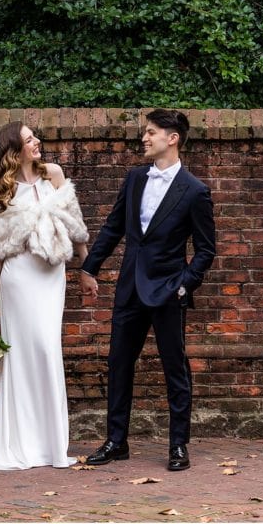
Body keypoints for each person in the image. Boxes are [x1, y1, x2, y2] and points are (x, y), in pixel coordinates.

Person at [80, 108, 216, 472]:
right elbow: (113, 227)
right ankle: (116, 441)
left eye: (151, 132)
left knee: (176, 369)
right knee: (119, 364)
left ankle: (178, 445)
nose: (144, 138)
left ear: (172, 138)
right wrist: (90, 267)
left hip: (169, 291)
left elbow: (206, 249)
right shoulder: (135, 178)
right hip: (129, 288)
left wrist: (185, 285)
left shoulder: (195, 191)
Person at [0, 122, 89, 471]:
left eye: (35, 137)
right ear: (16, 149)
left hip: (50, 276)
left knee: (47, 350)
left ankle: (53, 446)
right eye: (29, 140)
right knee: (25, 356)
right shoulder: (2, 191)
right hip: (18, 278)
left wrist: (87, 267)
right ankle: (24, 444)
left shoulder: (54, 174)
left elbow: (75, 223)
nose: (38, 142)